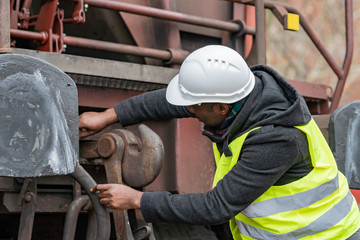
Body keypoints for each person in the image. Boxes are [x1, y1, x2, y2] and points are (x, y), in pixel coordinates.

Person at [79, 45, 360, 239]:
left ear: (221, 109)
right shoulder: (245, 96)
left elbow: (217, 207)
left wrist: (137, 200)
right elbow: (176, 103)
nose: (188, 110)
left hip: (325, 236)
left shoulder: (277, 139)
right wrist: (109, 115)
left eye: (193, 107)